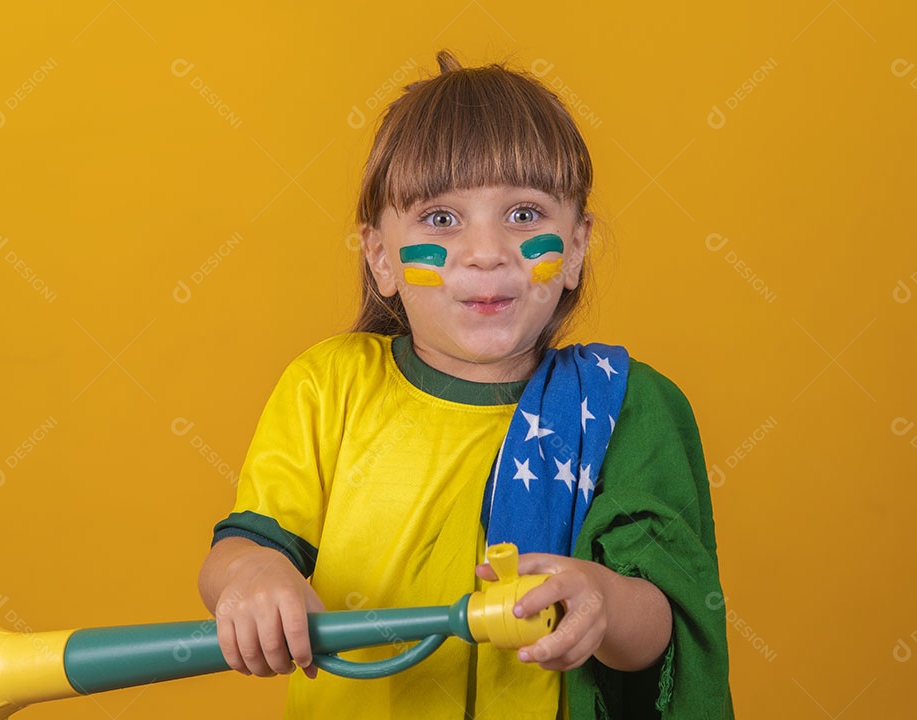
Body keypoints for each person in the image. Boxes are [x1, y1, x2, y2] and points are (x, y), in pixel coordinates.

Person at [198, 49, 733, 719]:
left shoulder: (627, 407)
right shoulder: (325, 386)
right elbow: (240, 549)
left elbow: (667, 629)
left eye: (525, 215)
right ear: (380, 257)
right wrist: (251, 577)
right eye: (441, 219)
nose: (487, 252)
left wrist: (602, 599)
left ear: (575, 249)